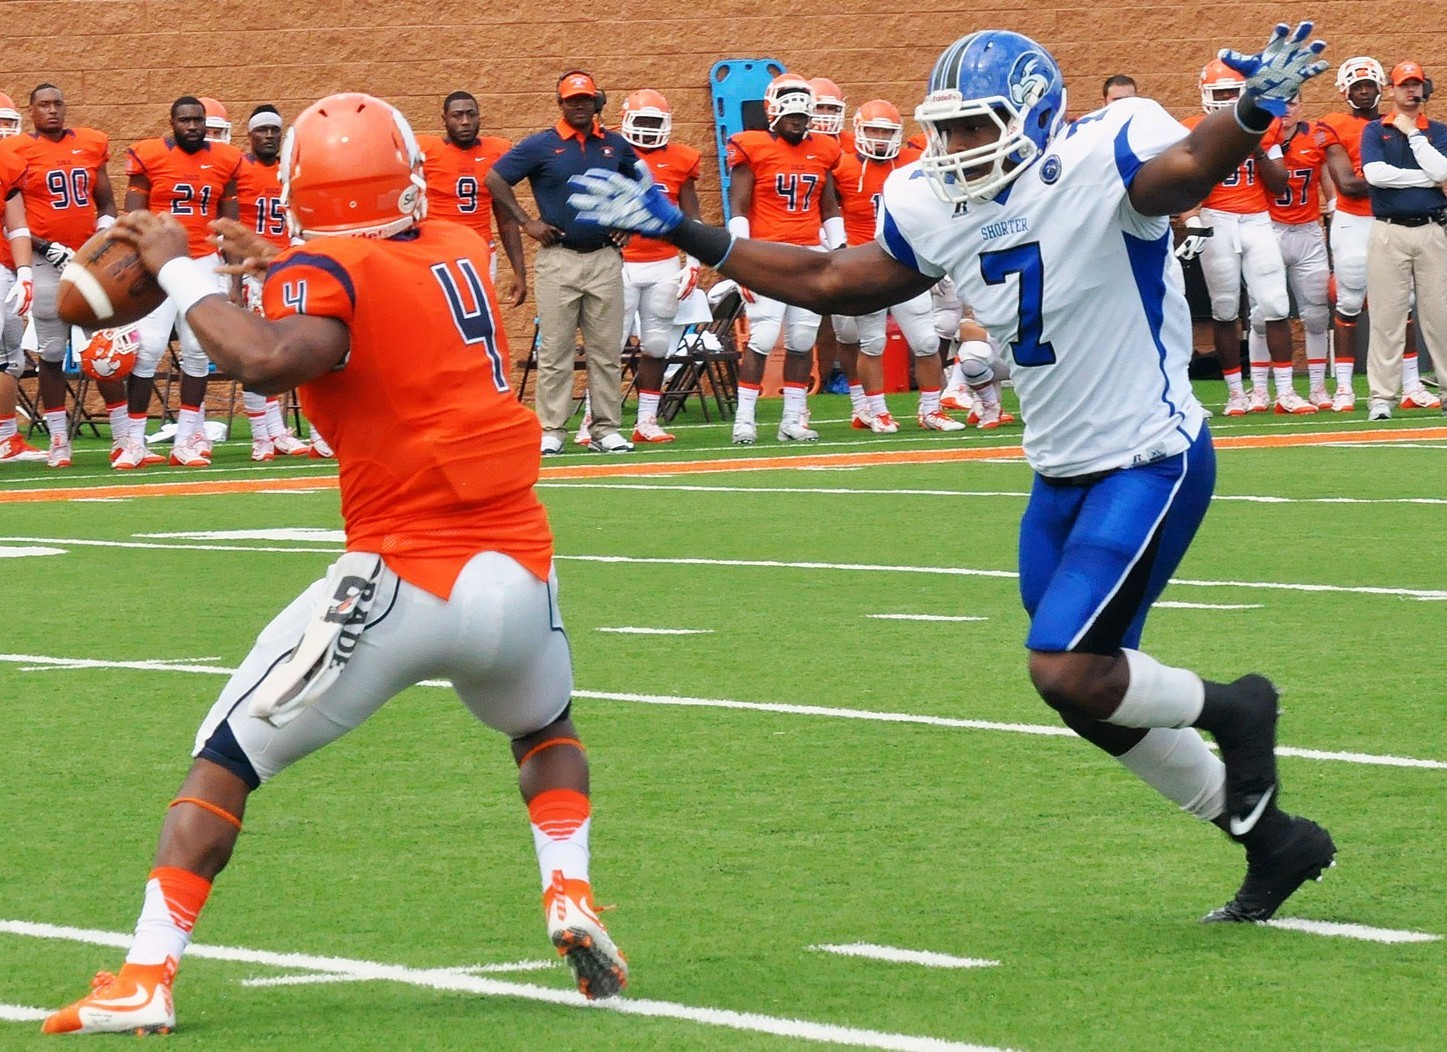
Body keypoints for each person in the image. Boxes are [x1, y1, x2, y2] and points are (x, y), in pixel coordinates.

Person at [571, 23, 1338, 923]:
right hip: (1056, 471)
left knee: (1064, 668)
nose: (957, 145)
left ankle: (1236, 708)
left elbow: (1182, 173)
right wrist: (692, 234)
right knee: (1089, 692)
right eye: (950, 127)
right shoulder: (930, 195)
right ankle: (1268, 841)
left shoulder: (1107, 143)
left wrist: (1247, 115)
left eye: (978, 125)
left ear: (1037, 114)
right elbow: (833, 278)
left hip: (1148, 454)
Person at [40, 92, 627, 1037]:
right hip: (519, 571)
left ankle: (148, 972)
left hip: (401, 578)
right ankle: (568, 889)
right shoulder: (447, 239)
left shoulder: (330, 266)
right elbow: (372, 277)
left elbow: (274, 358)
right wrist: (270, 263)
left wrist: (183, 274)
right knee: (543, 727)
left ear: (299, 188)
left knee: (222, 760)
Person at [486, 71, 638, 455]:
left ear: (595, 101)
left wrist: (629, 224)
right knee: (556, 351)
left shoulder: (615, 146)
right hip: (558, 260)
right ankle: (551, 428)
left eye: (585, 99)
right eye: (572, 100)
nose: (580, 105)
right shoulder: (542, 145)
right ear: (560, 103)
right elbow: (495, 179)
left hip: (605, 257)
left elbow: (642, 185)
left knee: (606, 351)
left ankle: (605, 429)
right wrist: (526, 222)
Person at [1177, 61, 1313, 415]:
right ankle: (1237, 394)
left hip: (1256, 218)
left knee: (1275, 304)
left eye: (1230, 93)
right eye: (1218, 94)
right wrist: (1192, 220)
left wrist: (1255, 147)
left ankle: (1284, 392)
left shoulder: (1262, 123)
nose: (1224, 100)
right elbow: (1185, 183)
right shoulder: (1191, 128)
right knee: (1223, 308)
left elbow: (1281, 182)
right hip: (1216, 219)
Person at [2, 82, 122, 468]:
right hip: (44, 261)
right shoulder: (17, 150)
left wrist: (103, 238)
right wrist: (46, 247)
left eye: (57, 104)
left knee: (104, 349)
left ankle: (124, 439)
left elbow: (105, 202)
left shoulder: (90, 143)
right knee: (52, 353)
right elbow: (13, 218)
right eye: (44, 105)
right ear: (31, 111)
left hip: (87, 263)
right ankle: (58, 440)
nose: (52, 111)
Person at [120, 96, 241, 469]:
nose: (192, 126)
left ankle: (188, 439)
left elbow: (230, 227)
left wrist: (234, 278)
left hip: (203, 261)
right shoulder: (150, 155)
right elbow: (132, 215)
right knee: (148, 348)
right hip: (159, 260)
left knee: (197, 350)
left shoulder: (225, 160)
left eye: (198, 120)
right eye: (185, 120)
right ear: (172, 122)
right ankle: (132, 443)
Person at [725, 73, 844, 444]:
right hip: (768, 254)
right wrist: (741, 260)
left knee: (802, 339)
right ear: (773, 112)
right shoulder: (752, 146)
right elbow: (739, 206)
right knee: (761, 338)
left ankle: (792, 419)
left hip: (810, 254)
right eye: (792, 117)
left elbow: (829, 207)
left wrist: (839, 252)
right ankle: (744, 419)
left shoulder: (823, 149)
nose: (798, 123)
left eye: (803, 118)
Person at [831, 99, 963, 432]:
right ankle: (876, 410)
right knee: (872, 343)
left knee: (927, 341)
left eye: (885, 132)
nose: (879, 138)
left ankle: (931, 409)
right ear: (859, 130)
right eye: (873, 130)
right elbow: (827, 211)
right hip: (865, 265)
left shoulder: (912, 163)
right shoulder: (842, 166)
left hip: (906, 263)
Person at [1360, 60, 1447, 421]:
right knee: (1386, 316)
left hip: (1431, 229)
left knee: (1440, 315)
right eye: (1403, 85)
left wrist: (1412, 134)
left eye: (1416, 84)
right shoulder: (1374, 130)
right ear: (1392, 90)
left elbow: (1442, 172)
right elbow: (1375, 176)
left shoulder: (1437, 130)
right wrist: (1425, 178)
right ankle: (1382, 397)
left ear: (1423, 89)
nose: (1410, 91)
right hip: (1388, 229)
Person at [616, 87, 701, 443]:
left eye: (655, 121)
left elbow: (691, 214)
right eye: (643, 120)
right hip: (618, 262)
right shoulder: (612, 153)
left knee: (656, 345)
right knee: (610, 345)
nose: (649, 128)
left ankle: (646, 421)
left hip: (664, 261)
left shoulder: (681, 158)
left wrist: (694, 261)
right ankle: (594, 418)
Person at [233, 104, 317, 460]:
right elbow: (232, 225)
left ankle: (279, 430)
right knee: (257, 351)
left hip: (288, 267)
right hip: (255, 270)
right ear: (249, 135)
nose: (269, 135)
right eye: (262, 130)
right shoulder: (238, 170)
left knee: (291, 350)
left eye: (274, 130)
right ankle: (261, 436)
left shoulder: (294, 171)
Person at [1247, 95, 1332, 409]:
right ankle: (1259, 390)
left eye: (1293, 103)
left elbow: (1325, 178)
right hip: (1269, 229)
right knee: (1260, 315)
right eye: (1279, 105)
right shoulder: (1258, 139)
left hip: (1308, 230)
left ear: (1302, 106)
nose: (1286, 111)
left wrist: (1335, 210)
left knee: (1317, 315)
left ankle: (1318, 387)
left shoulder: (1315, 136)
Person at [417, 90, 526, 308]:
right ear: (444, 119)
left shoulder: (497, 150)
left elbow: (505, 219)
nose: (465, 121)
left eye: (471, 114)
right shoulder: (425, 150)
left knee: (477, 315)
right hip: (435, 249)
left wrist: (520, 272)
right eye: (457, 115)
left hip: (479, 249)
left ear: (479, 116)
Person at [0, 94, 38, 463]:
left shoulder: (8, 163)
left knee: (10, 355)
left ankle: (6, 438)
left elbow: (18, 226)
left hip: (2, 268)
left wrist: (24, 273)